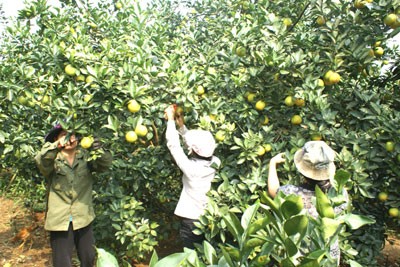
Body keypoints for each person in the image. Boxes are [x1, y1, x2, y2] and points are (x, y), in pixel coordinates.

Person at [35, 124, 112, 267]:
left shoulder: (87, 159)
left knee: (89, 258)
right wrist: (57, 145)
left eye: (72, 134)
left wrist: (99, 149)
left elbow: (105, 164)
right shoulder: (52, 160)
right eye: (64, 135)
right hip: (60, 220)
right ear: (56, 139)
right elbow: (41, 160)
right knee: (62, 262)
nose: (69, 138)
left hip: (83, 217)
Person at [268, 141, 348, 266]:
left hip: (300, 258)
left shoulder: (292, 193)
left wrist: (272, 164)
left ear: (303, 172)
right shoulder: (339, 194)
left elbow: (273, 192)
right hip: (327, 256)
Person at [164, 104, 221, 249]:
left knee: (190, 256)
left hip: (192, 222)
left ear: (193, 150)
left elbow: (174, 146)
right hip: (210, 217)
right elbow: (195, 147)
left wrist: (170, 121)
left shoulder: (191, 169)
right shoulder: (215, 162)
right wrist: (181, 126)